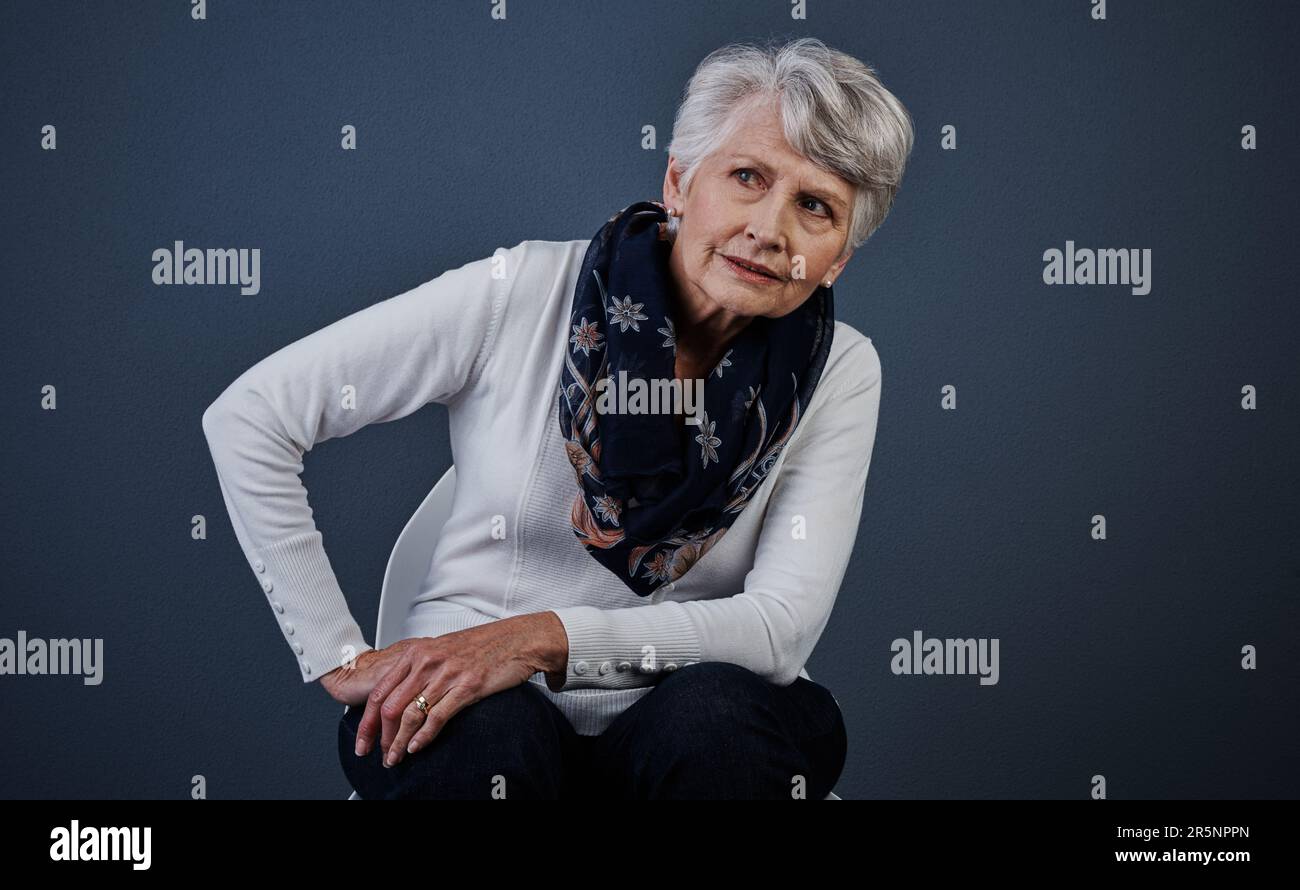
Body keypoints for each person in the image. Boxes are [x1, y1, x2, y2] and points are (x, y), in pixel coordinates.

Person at [201, 36, 913, 799]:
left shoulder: (839, 368)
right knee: (477, 742)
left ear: (837, 257)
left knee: (717, 726)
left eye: (815, 206)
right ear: (679, 182)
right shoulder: (523, 292)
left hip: (695, 709)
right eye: (747, 176)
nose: (770, 230)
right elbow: (252, 416)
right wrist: (336, 652)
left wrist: (542, 639)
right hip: (477, 690)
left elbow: (777, 628)